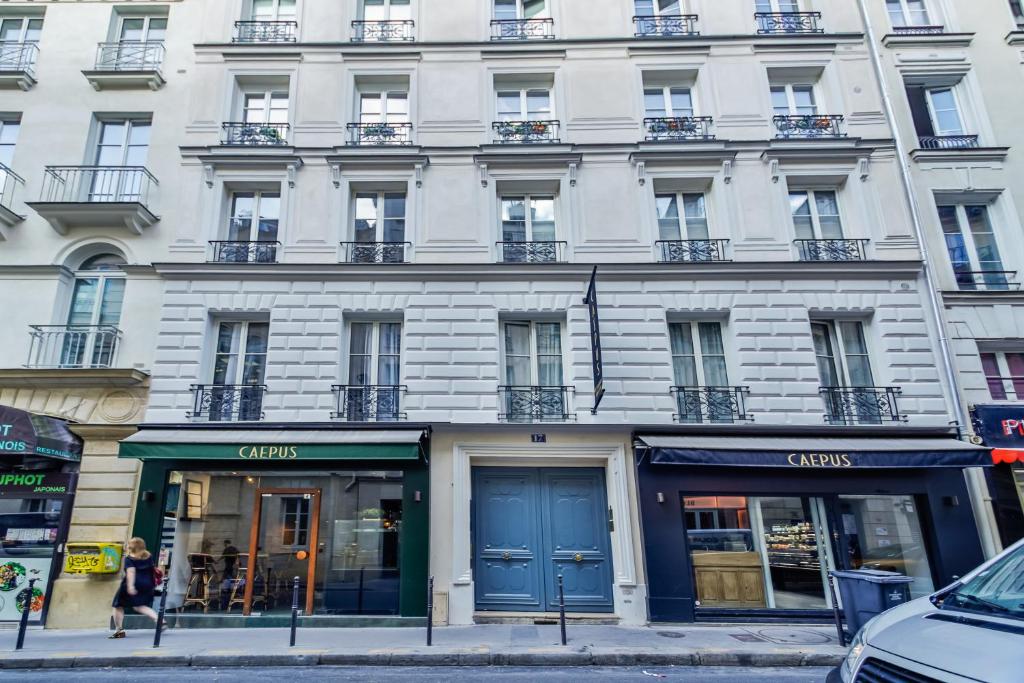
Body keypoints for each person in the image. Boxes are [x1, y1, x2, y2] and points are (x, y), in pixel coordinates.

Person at [109, 537, 162, 639]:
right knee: (139, 605)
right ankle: (159, 619)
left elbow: (131, 572)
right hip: (147, 584)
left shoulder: (129, 559)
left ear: (130, 548)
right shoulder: (148, 556)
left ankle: (119, 630)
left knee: (118, 605)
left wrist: (130, 586)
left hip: (133, 584)